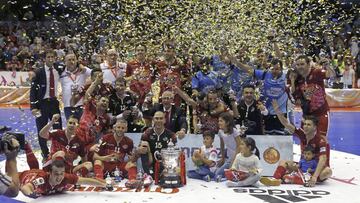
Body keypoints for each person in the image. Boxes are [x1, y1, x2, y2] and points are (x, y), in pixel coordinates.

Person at [260, 100, 332, 187]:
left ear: (315, 127)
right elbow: (286, 123)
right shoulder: (302, 134)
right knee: (284, 162)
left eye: (309, 125)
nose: (305, 126)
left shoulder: (320, 140)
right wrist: (277, 110)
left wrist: (315, 176)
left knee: (328, 172)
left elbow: (322, 159)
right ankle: (275, 179)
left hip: (315, 169)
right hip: (302, 167)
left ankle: (300, 178)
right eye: (304, 124)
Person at [92, 120, 150, 188]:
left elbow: (132, 160)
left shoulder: (129, 141)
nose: (120, 129)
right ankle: (100, 181)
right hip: (106, 165)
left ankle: (132, 181)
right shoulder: (105, 138)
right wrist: (105, 158)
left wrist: (137, 153)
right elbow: (94, 156)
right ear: (114, 128)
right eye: (118, 127)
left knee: (132, 164)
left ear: (126, 129)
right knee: (98, 161)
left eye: (123, 128)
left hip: (119, 167)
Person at [290, 55, 335, 137]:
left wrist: (328, 65)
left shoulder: (316, 72)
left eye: (302, 64)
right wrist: (292, 80)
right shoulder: (298, 79)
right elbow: (294, 94)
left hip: (321, 112)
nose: (300, 67)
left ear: (308, 64)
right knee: (308, 140)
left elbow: (331, 75)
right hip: (307, 115)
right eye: (298, 65)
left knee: (322, 138)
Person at [30, 49, 63, 161]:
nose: (50, 59)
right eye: (48, 57)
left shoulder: (59, 69)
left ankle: (58, 152)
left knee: (58, 129)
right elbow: (33, 90)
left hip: (54, 103)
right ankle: (45, 154)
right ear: (44, 59)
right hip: (41, 105)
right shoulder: (38, 72)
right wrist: (33, 107)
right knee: (41, 129)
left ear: (55, 58)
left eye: (52, 57)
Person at [19, 159, 106, 198]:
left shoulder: (65, 178)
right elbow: (26, 187)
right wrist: (30, 194)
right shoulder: (42, 179)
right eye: (56, 174)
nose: (60, 177)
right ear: (50, 173)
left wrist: (103, 184)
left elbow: (85, 181)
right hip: (19, 177)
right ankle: (27, 147)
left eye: (62, 173)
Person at [137, 111, 177, 177]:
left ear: (165, 120)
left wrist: (166, 167)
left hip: (165, 163)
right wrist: (147, 151)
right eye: (156, 118)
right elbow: (140, 151)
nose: (159, 120)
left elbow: (173, 156)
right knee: (144, 150)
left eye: (161, 118)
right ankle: (148, 175)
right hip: (150, 162)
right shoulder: (146, 133)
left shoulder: (171, 135)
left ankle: (165, 173)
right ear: (153, 120)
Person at [60, 53, 91, 120]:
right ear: (65, 62)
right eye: (69, 60)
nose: (72, 62)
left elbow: (94, 74)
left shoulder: (83, 71)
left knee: (84, 127)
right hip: (68, 106)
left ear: (77, 61)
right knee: (71, 128)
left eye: (74, 59)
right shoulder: (61, 74)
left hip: (82, 105)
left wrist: (84, 68)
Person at [215, 112, 243, 181]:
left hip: (238, 159)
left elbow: (239, 145)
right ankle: (230, 176)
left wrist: (234, 160)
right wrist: (223, 158)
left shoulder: (234, 131)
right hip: (229, 159)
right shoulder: (220, 132)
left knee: (226, 173)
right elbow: (222, 144)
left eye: (221, 121)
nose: (219, 122)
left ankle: (231, 176)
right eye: (218, 121)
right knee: (217, 173)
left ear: (227, 122)